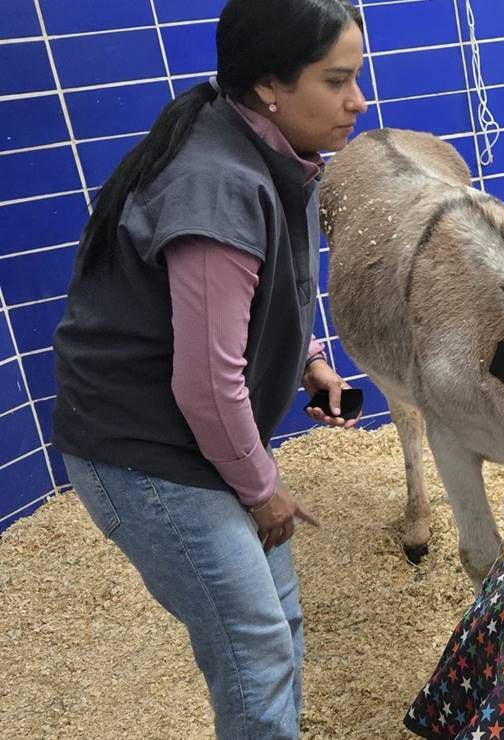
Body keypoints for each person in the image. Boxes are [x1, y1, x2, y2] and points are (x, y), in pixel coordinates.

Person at [51, 1, 368, 736]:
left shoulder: (259, 143)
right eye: (337, 80)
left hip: (194, 438)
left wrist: (309, 363)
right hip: (145, 454)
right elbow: (205, 383)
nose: (358, 100)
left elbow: (250, 303)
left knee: (278, 618)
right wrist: (263, 492)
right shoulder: (217, 183)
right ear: (270, 85)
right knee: (253, 646)